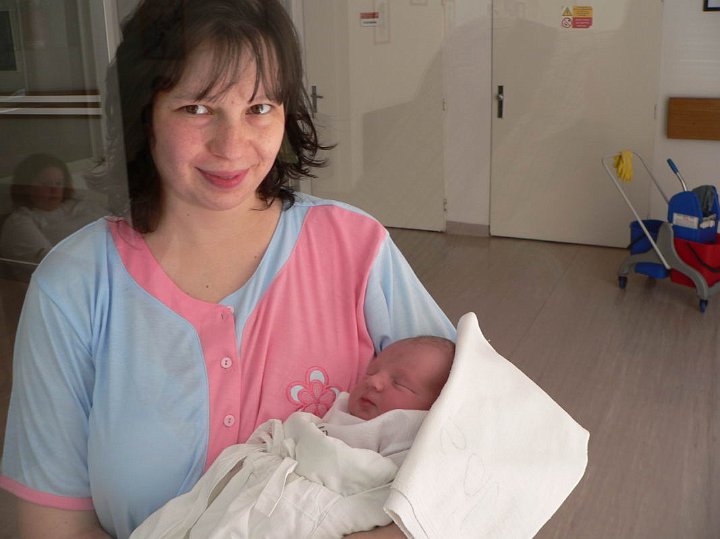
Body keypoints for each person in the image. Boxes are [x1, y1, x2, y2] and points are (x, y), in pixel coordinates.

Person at [0, 1, 456, 538]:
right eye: (197, 108)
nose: (232, 145)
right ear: (143, 113)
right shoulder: (74, 285)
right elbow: (52, 524)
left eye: (259, 107)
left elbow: (474, 449)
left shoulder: (355, 247)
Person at [130, 336, 455, 538]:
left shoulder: (415, 447)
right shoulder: (316, 424)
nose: (375, 381)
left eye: (400, 383)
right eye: (372, 371)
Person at [0, 153, 107, 264]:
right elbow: (52, 263)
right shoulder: (20, 222)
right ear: (26, 188)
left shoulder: (78, 202)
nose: (54, 190)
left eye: (59, 183)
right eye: (45, 184)